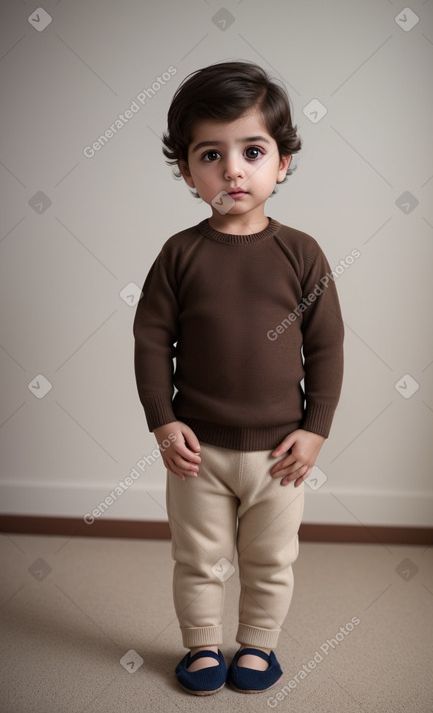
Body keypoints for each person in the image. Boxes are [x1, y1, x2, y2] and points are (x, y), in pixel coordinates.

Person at [133, 60, 344, 696]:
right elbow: (150, 340)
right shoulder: (179, 253)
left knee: (270, 559)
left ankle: (256, 648)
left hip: (281, 452)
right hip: (198, 449)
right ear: (186, 169)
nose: (233, 171)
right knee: (197, 558)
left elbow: (327, 346)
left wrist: (316, 431)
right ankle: (201, 645)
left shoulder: (300, 253)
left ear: (282, 163)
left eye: (252, 151)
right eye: (210, 155)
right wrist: (163, 420)